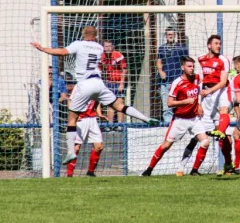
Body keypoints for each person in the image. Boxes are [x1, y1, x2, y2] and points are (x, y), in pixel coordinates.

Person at [31, 26, 159, 165]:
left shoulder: (78, 44)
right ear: (96, 36)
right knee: (120, 106)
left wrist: (43, 49)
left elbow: (62, 52)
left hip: (84, 84)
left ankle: (70, 151)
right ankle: (145, 118)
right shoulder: (99, 48)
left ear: (83, 34)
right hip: (98, 83)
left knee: (72, 119)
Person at [141, 56, 210, 177]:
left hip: (194, 118)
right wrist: (185, 102)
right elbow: (169, 103)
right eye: (189, 66)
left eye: (193, 66)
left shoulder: (197, 78)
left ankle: (194, 170)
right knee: (166, 145)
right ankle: (149, 170)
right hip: (180, 119)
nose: (192, 69)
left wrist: (198, 104)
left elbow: (197, 91)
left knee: (205, 142)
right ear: (182, 67)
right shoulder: (177, 83)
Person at [189, 35, 234, 176]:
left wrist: (208, 91)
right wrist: (199, 101)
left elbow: (223, 81)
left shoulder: (223, 60)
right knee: (211, 136)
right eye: (216, 43)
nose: (218, 46)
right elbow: (201, 78)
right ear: (209, 45)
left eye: (220, 43)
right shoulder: (201, 58)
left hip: (222, 90)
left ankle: (222, 133)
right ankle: (196, 170)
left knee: (224, 110)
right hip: (207, 95)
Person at [66, 96, 107, 178]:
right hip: (80, 120)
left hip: (92, 119)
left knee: (99, 147)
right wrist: (73, 115)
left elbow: (97, 101)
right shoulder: (80, 87)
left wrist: (99, 114)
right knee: (76, 148)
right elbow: (70, 101)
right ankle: (69, 174)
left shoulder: (96, 87)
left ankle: (90, 172)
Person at [157, 27, 189, 124]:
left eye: (172, 34)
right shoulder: (162, 48)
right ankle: (168, 126)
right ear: (166, 36)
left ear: (175, 35)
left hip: (178, 82)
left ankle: (181, 125)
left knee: (180, 106)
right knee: (167, 108)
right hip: (166, 82)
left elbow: (187, 62)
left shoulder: (181, 48)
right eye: (169, 34)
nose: (171, 36)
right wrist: (160, 71)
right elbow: (159, 62)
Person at [100, 40, 127, 123]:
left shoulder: (118, 55)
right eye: (106, 46)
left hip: (119, 82)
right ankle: (110, 124)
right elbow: (100, 70)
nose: (108, 48)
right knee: (110, 103)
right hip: (109, 82)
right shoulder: (102, 56)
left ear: (113, 47)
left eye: (109, 46)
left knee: (120, 102)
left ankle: (120, 124)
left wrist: (122, 83)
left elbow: (124, 69)